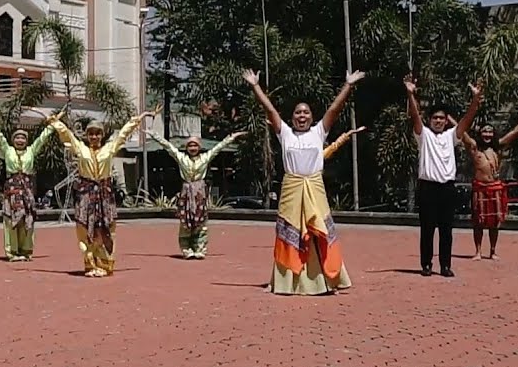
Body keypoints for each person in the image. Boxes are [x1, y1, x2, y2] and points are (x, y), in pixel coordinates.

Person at [246, 69, 363, 295]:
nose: (302, 116)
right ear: (292, 118)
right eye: (298, 113)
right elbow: (269, 110)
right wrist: (255, 86)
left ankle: (327, 281)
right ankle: (284, 282)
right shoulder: (285, 134)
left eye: (306, 113)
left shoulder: (319, 132)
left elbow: (334, 109)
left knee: (321, 232)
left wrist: (348, 85)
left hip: (315, 187)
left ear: (311, 116)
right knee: (288, 234)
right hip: (291, 189)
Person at [46, 107, 154, 277]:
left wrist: (140, 118)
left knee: (106, 228)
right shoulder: (80, 148)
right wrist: (54, 121)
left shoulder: (109, 148)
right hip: (86, 195)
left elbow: (123, 134)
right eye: (91, 134)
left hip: (104, 194)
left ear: (102, 135)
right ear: (87, 136)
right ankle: (90, 264)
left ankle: (104, 264)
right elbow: (66, 134)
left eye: (97, 133)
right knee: (84, 227)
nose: (94, 137)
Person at [405, 77, 481, 278]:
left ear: (447, 120)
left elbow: (467, 119)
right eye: (435, 118)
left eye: (442, 118)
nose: (438, 121)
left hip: (447, 188)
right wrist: (410, 93)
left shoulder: (451, 136)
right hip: (428, 188)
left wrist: (476, 98)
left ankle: (445, 265)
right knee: (427, 229)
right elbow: (414, 116)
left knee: (447, 230)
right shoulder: (424, 136)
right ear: (430, 120)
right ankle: (426, 265)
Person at [147, 130, 243, 259]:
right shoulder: (181, 158)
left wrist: (232, 137)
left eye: (195, 145)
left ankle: (200, 248)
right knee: (185, 221)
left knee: (200, 221)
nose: (193, 148)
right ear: (186, 148)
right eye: (190, 146)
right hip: (186, 192)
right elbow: (167, 146)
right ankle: (186, 249)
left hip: (199, 193)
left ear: (199, 147)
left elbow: (219, 147)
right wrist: (153, 134)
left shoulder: (205, 158)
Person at [0, 105, 57, 261]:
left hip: (27, 190)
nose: (20, 140)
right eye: (17, 138)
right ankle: (12, 252)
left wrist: (53, 124)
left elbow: (42, 138)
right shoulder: (7, 150)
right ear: (13, 140)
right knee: (11, 220)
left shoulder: (31, 150)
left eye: (23, 138)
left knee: (27, 218)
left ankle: (26, 250)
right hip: (12, 190)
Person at [460, 104, 518, 260]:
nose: (487, 134)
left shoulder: (499, 147)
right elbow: (461, 132)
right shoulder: (475, 148)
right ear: (480, 133)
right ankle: (478, 251)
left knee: (495, 222)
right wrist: (449, 118)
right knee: (479, 222)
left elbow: (515, 133)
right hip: (480, 188)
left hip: (495, 187)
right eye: (484, 131)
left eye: (490, 131)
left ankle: (493, 251)